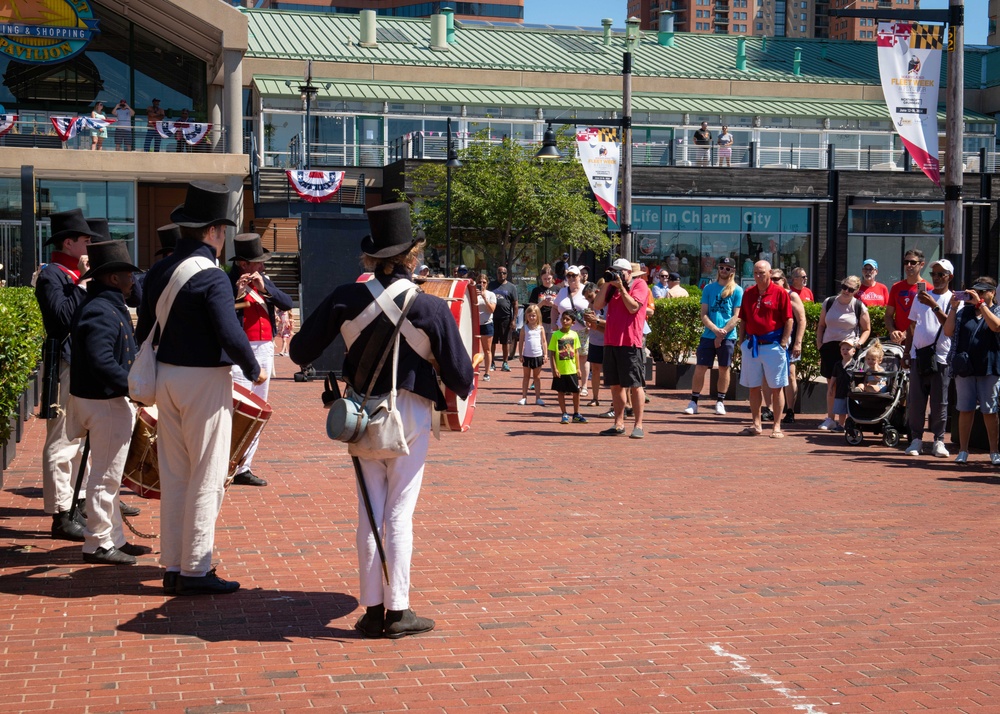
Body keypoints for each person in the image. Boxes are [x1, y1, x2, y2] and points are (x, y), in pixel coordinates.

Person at [289, 202, 474, 639]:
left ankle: (373, 608)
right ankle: (399, 609)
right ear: (412, 256)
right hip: (408, 412)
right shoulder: (429, 307)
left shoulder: (344, 297)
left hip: (359, 412)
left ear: (371, 258)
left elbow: (299, 352)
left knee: (369, 511)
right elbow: (462, 379)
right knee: (399, 512)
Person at [135, 181, 264, 596]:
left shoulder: (157, 271)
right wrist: (252, 367)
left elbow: (143, 330)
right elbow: (228, 331)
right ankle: (196, 568)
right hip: (204, 380)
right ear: (213, 231)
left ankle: (172, 564)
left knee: (174, 475)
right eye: (222, 231)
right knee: (208, 474)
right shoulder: (211, 277)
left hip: (166, 377)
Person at [67, 241, 148, 565]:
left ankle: (113, 538)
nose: (133, 281)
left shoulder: (103, 303)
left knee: (107, 475)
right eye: (129, 275)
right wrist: (133, 388)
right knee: (105, 476)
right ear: (114, 278)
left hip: (103, 400)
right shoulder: (101, 308)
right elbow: (101, 360)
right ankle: (98, 543)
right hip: (105, 403)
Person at [35, 208, 101, 541]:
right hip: (63, 364)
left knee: (77, 439)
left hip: (80, 364)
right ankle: (60, 514)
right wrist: (85, 283)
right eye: (85, 240)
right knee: (61, 440)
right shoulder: (52, 275)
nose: (90, 244)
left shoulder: (72, 274)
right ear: (69, 242)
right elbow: (60, 319)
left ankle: (73, 503)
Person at [229, 233, 294, 487]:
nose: (262, 267)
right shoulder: (227, 281)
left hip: (265, 349)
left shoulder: (265, 282)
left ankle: (244, 466)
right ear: (244, 264)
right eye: (258, 263)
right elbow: (226, 316)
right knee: (237, 409)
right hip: (240, 352)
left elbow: (286, 302)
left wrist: (264, 287)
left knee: (257, 408)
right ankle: (227, 465)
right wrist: (238, 293)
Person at [943, 276, 1000, 465]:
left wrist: (982, 305)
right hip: (965, 368)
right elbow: (948, 331)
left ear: (992, 293)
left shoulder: (996, 310)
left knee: (989, 411)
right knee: (965, 409)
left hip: (989, 367)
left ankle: (994, 451)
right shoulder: (964, 312)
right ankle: (963, 450)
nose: (978, 295)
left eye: (983, 291)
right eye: (975, 291)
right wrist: (953, 307)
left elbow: (996, 326)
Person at [902, 259, 953, 458]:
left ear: (950, 277)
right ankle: (916, 439)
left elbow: (950, 326)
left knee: (940, 401)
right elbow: (911, 325)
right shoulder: (919, 297)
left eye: (942, 274)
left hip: (941, 356)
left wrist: (933, 305)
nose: (937, 278)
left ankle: (939, 440)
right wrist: (907, 352)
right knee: (916, 400)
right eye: (934, 274)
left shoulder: (953, 300)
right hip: (918, 355)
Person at [594, 259, 649, 439]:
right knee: (615, 385)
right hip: (611, 341)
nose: (617, 274)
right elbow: (597, 305)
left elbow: (633, 308)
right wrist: (607, 283)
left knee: (635, 384)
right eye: (614, 271)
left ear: (628, 272)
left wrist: (622, 288)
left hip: (630, 342)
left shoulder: (639, 284)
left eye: (619, 271)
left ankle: (638, 425)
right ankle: (618, 424)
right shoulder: (611, 287)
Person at [737, 260, 793, 438]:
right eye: (755, 273)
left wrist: (784, 342)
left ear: (770, 273)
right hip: (752, 345)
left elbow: (789, 319)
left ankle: (776, 426)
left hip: (773, 346)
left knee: (777, 387)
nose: (758, 276)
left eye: (762, 272)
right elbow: (743, 318)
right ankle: (756, 424)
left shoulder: (780, 293)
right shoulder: (748, 293)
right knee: (753, 387)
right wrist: (741, 341)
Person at [684, 257, 743, 416]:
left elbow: (737, 316)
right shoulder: (709, 289)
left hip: (728, 336)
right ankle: (694, 401)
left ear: (733, 271)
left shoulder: (737, 290)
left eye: (728, 268)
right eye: (722, 267)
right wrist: (715, 330)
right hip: (709, 335)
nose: (724, 270)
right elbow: (704, 314)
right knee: (701, 367)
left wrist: (723, 332)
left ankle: (720, 402)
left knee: (724, 368)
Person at [815, 276, 871, 430]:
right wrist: (820, 344)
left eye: (851, 289)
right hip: (829, 348)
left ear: (856, 291)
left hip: (848, 348)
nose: (846, 291)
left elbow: (867, 329)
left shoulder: (859, 306)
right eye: (844, 287)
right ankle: (830, 418)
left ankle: (846, 419)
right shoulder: (829, 302)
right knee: (831, 384)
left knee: (846, 385)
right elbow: (821, 325)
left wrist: (858, 344)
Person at [767, 269, 807, 424]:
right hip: (771, 342)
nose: (774, 281)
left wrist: (798, 342)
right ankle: (769, 408)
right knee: (767, 375)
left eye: (777, 279)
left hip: (789, 343)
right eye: (771, 279)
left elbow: (802, 320)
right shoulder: (766, 295)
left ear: (783, 280)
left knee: (790, 374)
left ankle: (790, 410)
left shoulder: (792, 295)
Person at [553, 266, 590, 394]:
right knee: (566, 357)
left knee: (583, 357)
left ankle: (584, 386)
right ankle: (570, 384)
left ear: (580, 276)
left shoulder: (586, 290)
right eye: (569, 276)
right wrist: (553, 323)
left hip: (581, 330)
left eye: (574, 275)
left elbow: (595, 306)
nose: (572, 278)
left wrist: (592, 323)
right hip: (564, 331)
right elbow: (554, 307)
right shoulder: (562, 291)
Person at [549, 310, 586, 424]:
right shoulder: (556, 335)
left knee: (576, 391)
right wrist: (554, 369)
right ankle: (564, 413)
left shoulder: (574, 335)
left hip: (572, 369)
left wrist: (578, 368)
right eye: (563, 319)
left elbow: (576, 352)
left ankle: (576, 413)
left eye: (568, 319)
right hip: (561, 370)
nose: (565, 321)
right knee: (561, 392)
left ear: (573, 322)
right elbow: (553, 354)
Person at [885, 249, 928, 344]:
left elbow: (923, 318)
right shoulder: (896, 287)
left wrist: (906, 333)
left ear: (921, 265)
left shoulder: (925, 287)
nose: (909, 265)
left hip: (918, 342)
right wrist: (892, 331)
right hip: (898, 342)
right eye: (906, 262)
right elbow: (888, 315)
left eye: (913, 262)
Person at [488, 266, 518, 372]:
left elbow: (515, 305)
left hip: (506, 318)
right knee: (492, 342)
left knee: (505, 342)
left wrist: (514, 320)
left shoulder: (511, 287)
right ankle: (491, 363)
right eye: (500, 273)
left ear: (507, 274)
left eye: (504, 273)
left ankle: (505, 363)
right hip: (492, 318)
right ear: (496, 273)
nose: (502, 275)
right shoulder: (491, 285)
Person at [517, 303, 545, 406]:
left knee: (537, 377)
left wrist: (545, 354)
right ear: (526, 316)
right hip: (527, 355)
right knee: (526, 377)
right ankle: (524, 397)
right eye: (529, 316)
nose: (532, 318)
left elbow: (544, 341)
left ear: (537, 316)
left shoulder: (540, 328)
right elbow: (521, 342)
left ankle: (538, 397)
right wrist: (520, 354)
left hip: (538, 355)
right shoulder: (524, 328)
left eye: (533, 315)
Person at [581, 281, 604, 407]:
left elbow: (610, 325)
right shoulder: (590, 306)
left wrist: (596, 323)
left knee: (611, 372)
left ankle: (615, 400)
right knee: (595, 370)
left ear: (598, 292)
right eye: (587, 298)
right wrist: (589, 323)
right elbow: (592, 325)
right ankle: (595, 398)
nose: (589, 300)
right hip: (595, 341)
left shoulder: (606, 305)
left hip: (608, 341)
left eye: (590, 296)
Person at [528, 264, 558, 342]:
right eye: (545, 279)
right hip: (540, 321)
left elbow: (562, 308)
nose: (547, 281)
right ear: (541, 278)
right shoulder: (536, 290)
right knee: (541, 345)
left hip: (554, 321)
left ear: (552, 277)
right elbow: (531, 309)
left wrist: (552, 304)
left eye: (549, 278)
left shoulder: (558, 289)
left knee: (552, 347)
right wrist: (542, 303)